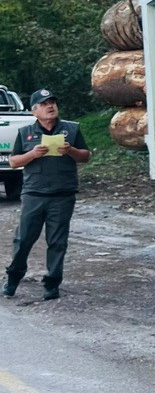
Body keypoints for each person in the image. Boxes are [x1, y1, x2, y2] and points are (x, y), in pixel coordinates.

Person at [2, 89, 90, 300]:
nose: (50, 106)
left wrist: (70, 151)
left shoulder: (71, 129)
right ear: (34, 111)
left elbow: (85, 156)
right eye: (44, 104)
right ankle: (13, 278)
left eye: (52, 102)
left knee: (58, 241)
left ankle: (52, 284)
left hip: (62, 194)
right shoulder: (25, 133)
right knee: (23, 239)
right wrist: (33, 154)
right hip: (34, 193)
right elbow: (13, 162)